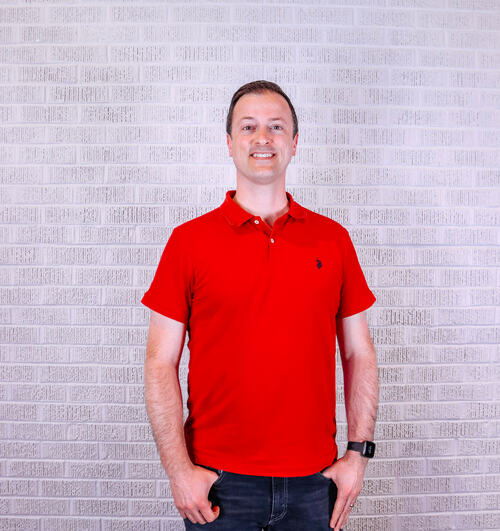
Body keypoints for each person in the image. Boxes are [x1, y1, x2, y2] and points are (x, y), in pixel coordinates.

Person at [142, 80, 378, 531]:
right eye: (248, 127)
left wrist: (358, 454)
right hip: (218, 481)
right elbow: (159, 363)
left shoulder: (334, 240)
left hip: (314, 482)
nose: (262, 138)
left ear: (295, 143)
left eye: (276, 127)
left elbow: (358, 352)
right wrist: (178, 471)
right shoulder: (188, 242)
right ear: (229, 142)